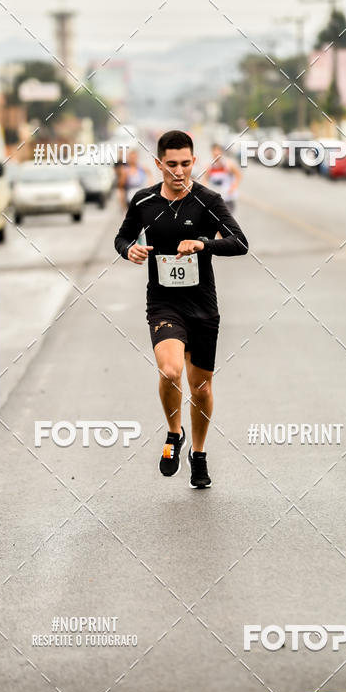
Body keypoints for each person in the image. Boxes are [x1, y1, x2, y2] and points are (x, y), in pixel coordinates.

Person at [114, 130, 248, 488]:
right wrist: (130, 250)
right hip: (163, 302)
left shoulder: (208, 200)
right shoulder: (143, 201)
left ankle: (198, 454)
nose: (179, 171)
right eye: (171, 164)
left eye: (185, 164)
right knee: (171, 371)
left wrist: (203, 244)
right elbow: (122, 237)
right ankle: (175, 433)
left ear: (194, 162)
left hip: (202, 304)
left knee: (201, 387)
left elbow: (240, 243)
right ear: (158, 164)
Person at [204, 143, 242, 213]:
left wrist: (234, 186)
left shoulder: (229, 164)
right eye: (214, 150)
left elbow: (239, 175)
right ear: (211, 152)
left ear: (222, 152)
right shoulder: (209, 166)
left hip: (227, 200)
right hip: (214, 200)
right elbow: (204, 180)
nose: (216, 153)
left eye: (218, 150)